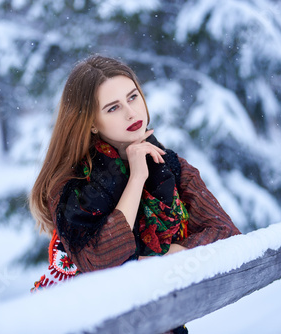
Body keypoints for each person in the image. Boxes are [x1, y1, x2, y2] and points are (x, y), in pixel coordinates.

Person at [29, 56, 240, 331]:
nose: (131, 113)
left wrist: (174, 254)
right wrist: (136, 178)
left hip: (166, 324)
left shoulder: (167, 164)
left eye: (133, 97)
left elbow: (225, 232)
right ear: (91, 122)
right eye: (113, 107)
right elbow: (102, 259)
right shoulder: (72, 185)